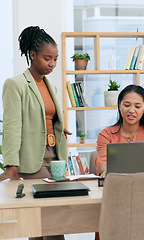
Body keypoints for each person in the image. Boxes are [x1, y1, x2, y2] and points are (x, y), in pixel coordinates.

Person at [0, 26, 71, 240]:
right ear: (32, 55)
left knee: (51, 216)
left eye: (56, 59)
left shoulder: (51, 86)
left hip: (55, 156)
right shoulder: (16, 84)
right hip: (34, 159)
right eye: (47, 58)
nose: (52, 64)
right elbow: (12, 125)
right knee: (45, 218)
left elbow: (44, 116)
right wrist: (11, 164)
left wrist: (57, 126)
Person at [95, 84, 144, 178]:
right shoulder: (105, 134)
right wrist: (106, 170)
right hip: (117, 183)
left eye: (137, 107)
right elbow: (102, 161)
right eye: (126, 105)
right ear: (119, 105)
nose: (131, 110)